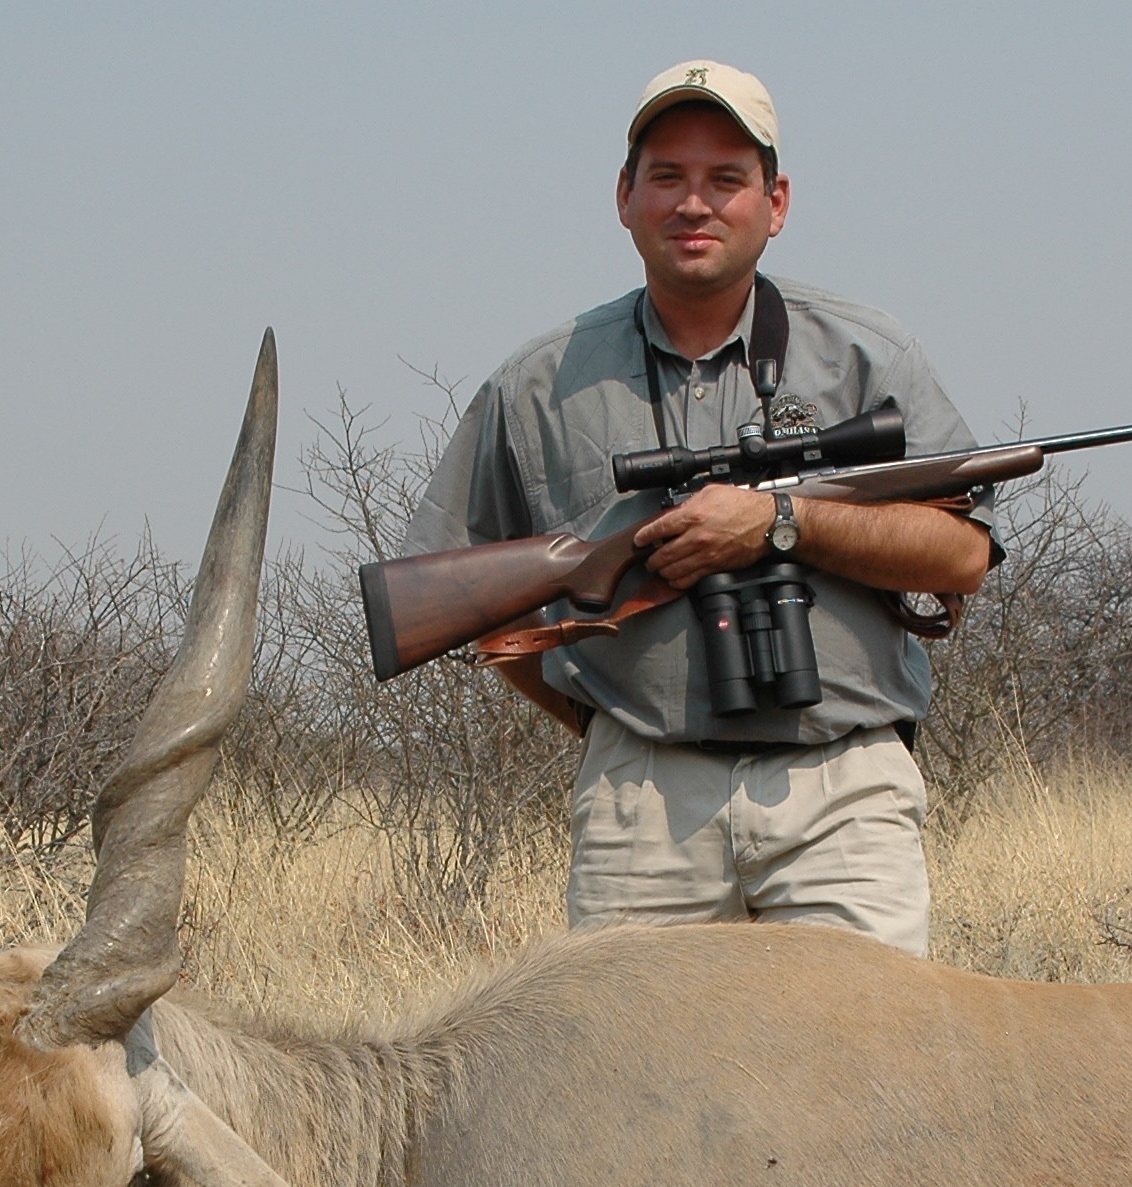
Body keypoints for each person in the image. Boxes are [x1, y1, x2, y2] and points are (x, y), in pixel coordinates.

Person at [406, 60, 994, 956]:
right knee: (635, 1089)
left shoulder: (870, 356)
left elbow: (962, 558)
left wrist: (780, 523)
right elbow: (452, 599)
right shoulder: (537, 383)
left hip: (845, 793)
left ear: (777, 201)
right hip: (642, 802)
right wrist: (594, 712)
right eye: (668, 177)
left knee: (865, 1084)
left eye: (727, 179)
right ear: (624, 196)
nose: (695, 204)